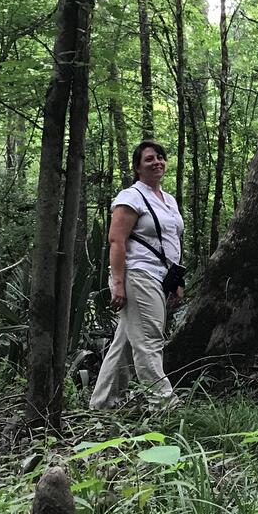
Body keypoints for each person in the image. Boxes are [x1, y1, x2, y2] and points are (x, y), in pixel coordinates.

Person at [89, 139, 184, 410]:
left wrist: (176, 282)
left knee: (126, 343)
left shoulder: (169, 201)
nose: (157, 162)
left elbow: (171, 243)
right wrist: (117, 282)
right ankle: (164, 405)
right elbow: (116, 240)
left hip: (160, 276)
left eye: (160, 157)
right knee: (149, 340)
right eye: (149, 159)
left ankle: (103, 404)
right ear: (138, 168)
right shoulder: (131, 197)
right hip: (137, 274)